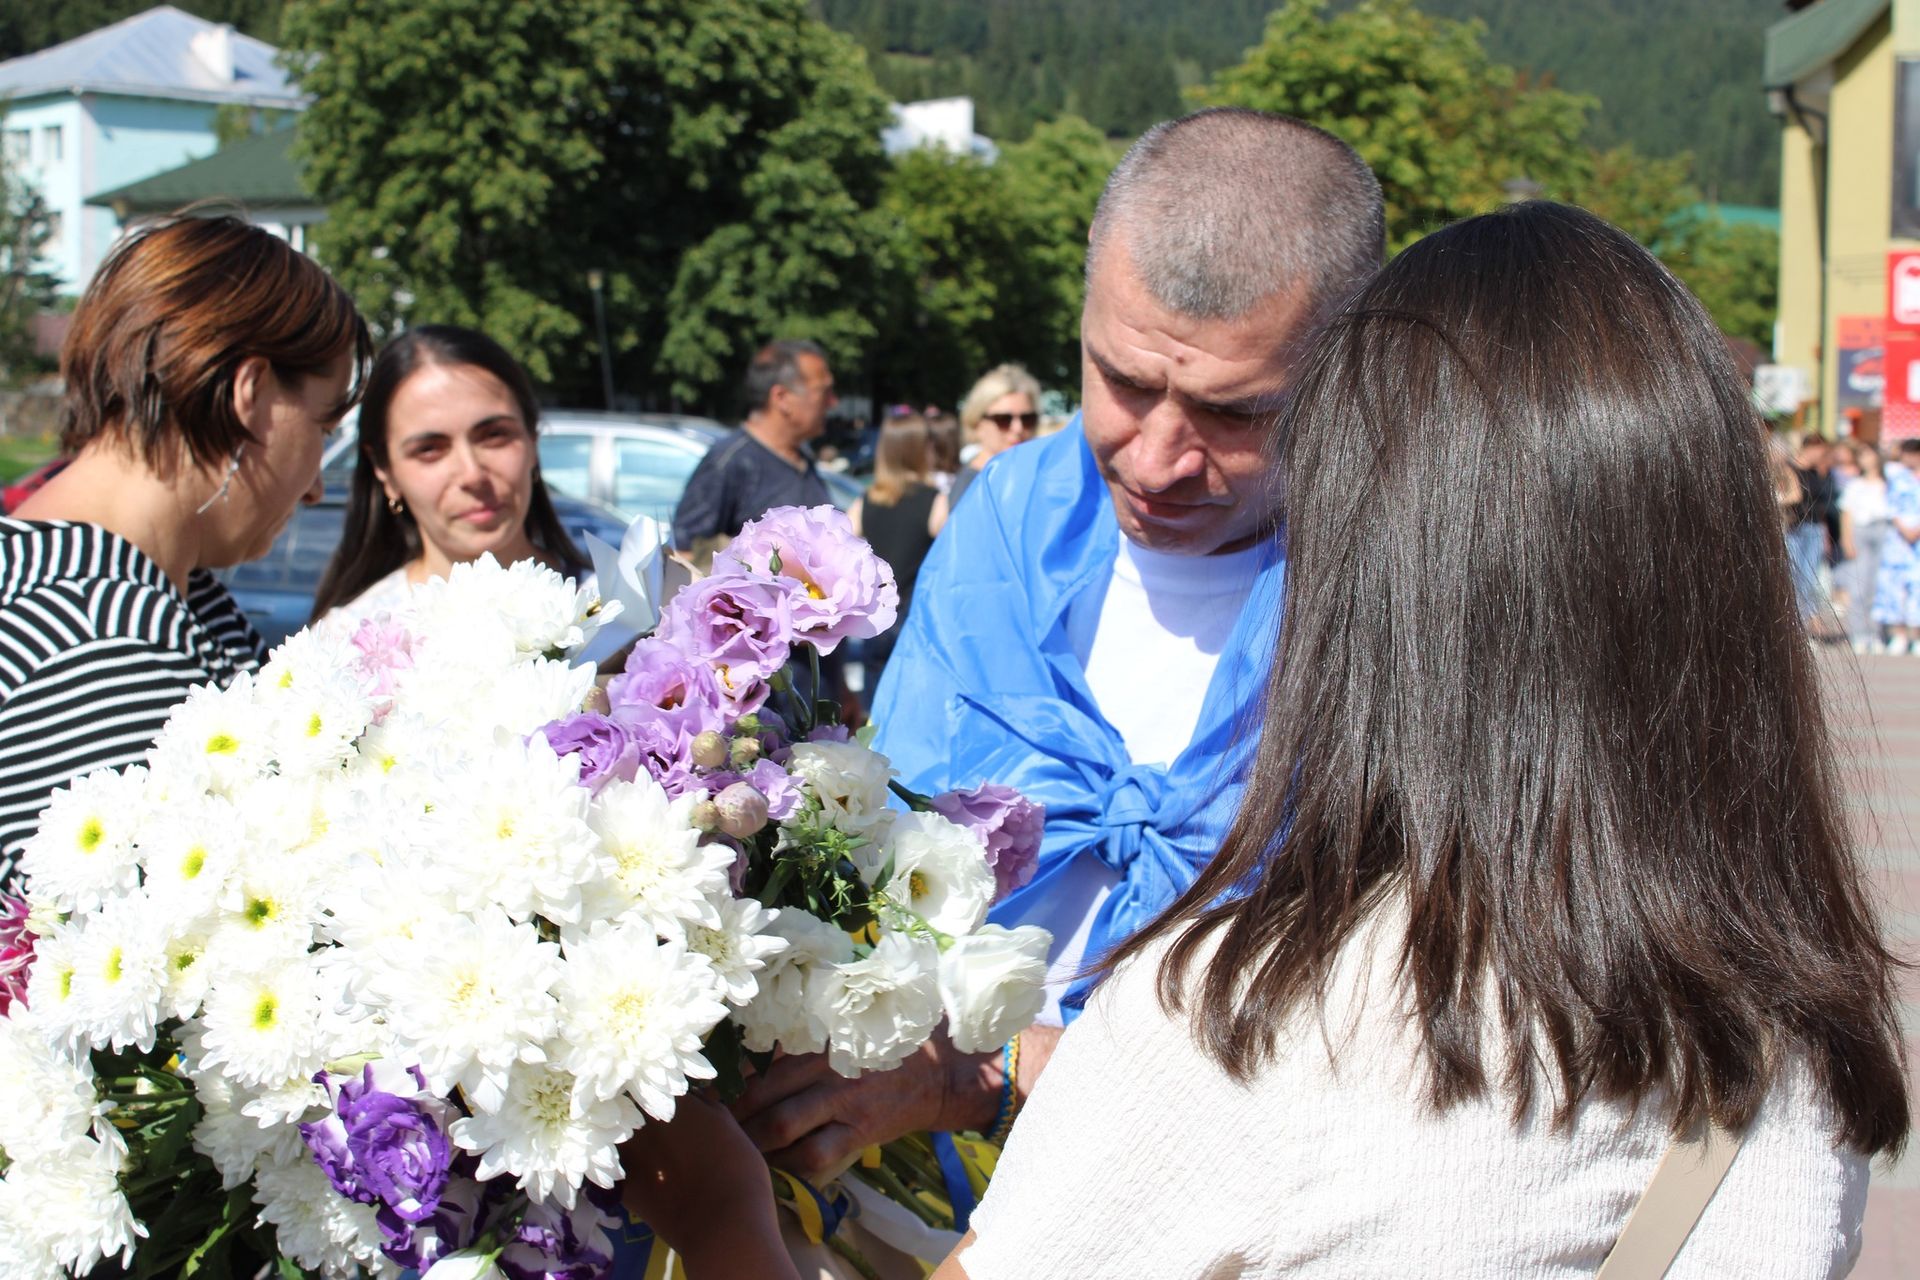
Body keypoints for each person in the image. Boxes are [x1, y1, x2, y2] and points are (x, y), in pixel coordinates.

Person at [634, 200, 1912, 1280]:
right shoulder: (1801, 1037)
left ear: (1367, 572)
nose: (1160, 451)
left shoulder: (1251, 1018)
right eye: (1125, 381)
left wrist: (721, 1211)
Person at [730, 107, 1385, 1178]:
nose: (1160, 458)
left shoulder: (1402, 590)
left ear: (1346, 370)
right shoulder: (1006, 518)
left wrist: (996, 1074)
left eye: (1235, 415)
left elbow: (1382, 1052)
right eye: (1123, 383)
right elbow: (880, 852)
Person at [0, 214, 369, 881]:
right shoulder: (104, 641)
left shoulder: (100, 578)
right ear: (250, 396)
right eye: (321, 425)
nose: (316, 486)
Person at [309, 325, 588, 626]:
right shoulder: (352, 643)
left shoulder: (618, 617)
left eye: (495, 435)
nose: (472, 474)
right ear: (384, 470)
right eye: (429, 449)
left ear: (532, 439)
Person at [670, 340, 837, 563]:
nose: (833, 402)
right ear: (781, 398)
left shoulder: (803, 458)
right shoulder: (730, 462)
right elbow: (683, 557)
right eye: (823, 392)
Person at [847, 413, 949, 687]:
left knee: (872, 717)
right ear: (918, 448)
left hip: (874, 619)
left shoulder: (864, 501)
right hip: (914, 619)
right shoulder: (934, 501)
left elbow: (841, 546)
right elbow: (953, 558)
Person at [948, 364, 1042, 507]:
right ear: (977, 423)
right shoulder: (972, 487)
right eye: (1003, 419)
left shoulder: (1028, 477)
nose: (1018, 428)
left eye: (1028, 418)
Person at [1837, 441, 1891, 653]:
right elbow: (1846, 513)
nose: (1864, 459)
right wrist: (1846, 539)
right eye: (1861, 455)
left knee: (1880, 586)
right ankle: (1859, 633)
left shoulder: (1888, 483)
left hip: (1884, 531)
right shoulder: (1855, 485)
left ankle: (1876, 633)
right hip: (1860, 531)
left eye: (1867, 454)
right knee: (1859, 585)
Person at [1876, 438, 1920, 654]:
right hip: (1898, 539)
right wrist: (1904, 528)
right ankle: (1899, 634)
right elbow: (1890, 507)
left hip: (1917, 540)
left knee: (1917, 587)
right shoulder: (1895, 477)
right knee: (1894, 587)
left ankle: (1916, 636)